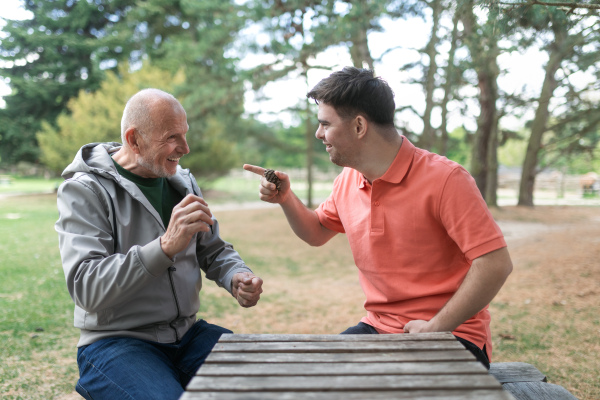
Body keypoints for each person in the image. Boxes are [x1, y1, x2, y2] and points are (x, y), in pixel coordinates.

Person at [244, 67, 512, 369]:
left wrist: (436, 326)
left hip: (452, 335)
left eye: (325, 124)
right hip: (379, 329)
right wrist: (286, 199)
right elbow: (317, 231)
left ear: (359, 126)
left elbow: (495, 263)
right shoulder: (348, 180)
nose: (319, 134)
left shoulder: (446, 179)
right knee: (308, 378)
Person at [56, 88, 263, 400]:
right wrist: (164, 247)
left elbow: (213, 249)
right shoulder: (85, 191)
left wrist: (236, 276)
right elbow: (87, 288)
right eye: (171, 137)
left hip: (190, 335)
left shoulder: (184, 182)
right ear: (134, 139)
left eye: (184, 134)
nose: (185, 148)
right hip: (116, 343)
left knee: (272, 383)